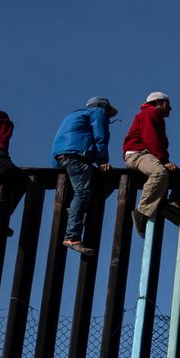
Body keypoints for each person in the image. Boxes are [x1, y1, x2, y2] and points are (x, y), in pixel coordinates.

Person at [52, 97, 118, 257]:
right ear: (106, 108)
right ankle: (72, 237)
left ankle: (77, 209)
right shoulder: (98, 111)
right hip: (76, 156)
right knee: (84, 191)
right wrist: (103, 161)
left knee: (84, 189)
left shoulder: (73, 115)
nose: (109, 117)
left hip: (62, 158)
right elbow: (100, 136)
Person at [123, 91, 178, 238]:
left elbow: (158, 143)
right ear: (159, 102)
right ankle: (142, 212)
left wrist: (165, 160)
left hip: (145, 154)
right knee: (159, 172)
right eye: (168, 104)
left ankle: (168, 206)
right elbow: (151, 138)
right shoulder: (151, 112)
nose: (170, 108)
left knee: (175, 174)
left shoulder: (153, 115)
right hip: (138, 153)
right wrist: (164, 161)